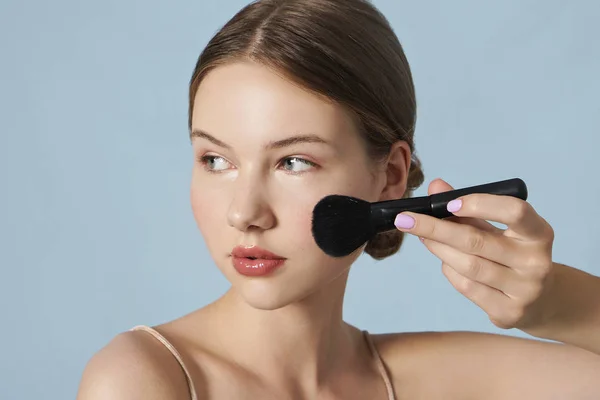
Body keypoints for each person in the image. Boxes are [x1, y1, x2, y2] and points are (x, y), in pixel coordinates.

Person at [77, 0, 600, 398]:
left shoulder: (430, 378)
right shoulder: (145, 378)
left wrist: (554, 302)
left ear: (391, 177)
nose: (244, 213)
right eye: (216, 160)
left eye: (293, 162)